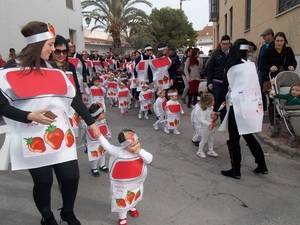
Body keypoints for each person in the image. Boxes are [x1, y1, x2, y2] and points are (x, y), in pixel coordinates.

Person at [0, 21, 100, 225]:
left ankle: (67, 212)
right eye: (50, 44)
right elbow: (1, 105)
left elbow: (72, 97)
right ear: (37, 45)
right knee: (44, 181)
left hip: (60, 133)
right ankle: (47, 217)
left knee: (71, 177)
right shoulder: (12, 68)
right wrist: (29, 115)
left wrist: (91, 122)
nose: (53, 49)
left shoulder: (53, 68)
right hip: (31, 136)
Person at [212, 38, 268, 179]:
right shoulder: (250, 66)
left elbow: (223, 89)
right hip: (250, 105)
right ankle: (262, 166)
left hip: (237, 107)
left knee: (234, 140)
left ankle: (235, 170)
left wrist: (215, 109)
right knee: (249, 136)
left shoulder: (231, 67)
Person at [98, 129, 153, 225]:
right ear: (124, 145)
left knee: (135, 196)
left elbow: (149, 159)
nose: (136, 145)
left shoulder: (141, 152)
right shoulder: (118, 152)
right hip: (121, 186)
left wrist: (139, 151)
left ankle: (132, 207)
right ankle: (122, 218)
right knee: (122, 201)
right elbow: (107, 146)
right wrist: (99, 135)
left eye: (137, 142)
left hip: (136, 183)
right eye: (132, 144)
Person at [262, 32, 297, 136]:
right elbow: (262, 65)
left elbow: (294, 62)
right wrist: (269, 67)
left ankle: (288, 121)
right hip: (272, 79)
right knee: (273, 101)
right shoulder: (268, 51)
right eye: (277, 40)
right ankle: (273, 124)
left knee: (286, 99)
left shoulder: (288, 50)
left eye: (281, 41)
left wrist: (292, 66)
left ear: (284, 41)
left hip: (286, 79)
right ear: (274, 41)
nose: (279, 43)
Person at [207, 35, 231, 120]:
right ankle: (221, 119)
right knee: (219, 101)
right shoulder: (215, 54)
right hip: (217, 82)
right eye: (223, 44)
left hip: (229, 83)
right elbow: (210, 69)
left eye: (227, 44)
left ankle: (223, 119)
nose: (225, 46)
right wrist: (209, 82)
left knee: (227, 101)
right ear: (220, 44)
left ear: (229, 44)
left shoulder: (232, 54)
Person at [84, 103, 110, 176]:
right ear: (97, 115)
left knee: (103, 154)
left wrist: (108, 134)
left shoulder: (103, 121)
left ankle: (102, 165)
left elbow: (106, 128)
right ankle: (94, 168)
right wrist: (98, 137)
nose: (103, 114)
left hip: (102, 142)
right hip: (93, 143)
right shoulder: (90, 124)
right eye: (102, 113)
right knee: (95, 156)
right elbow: (90, 135)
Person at [191, 93, 218, 158]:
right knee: (204, 140)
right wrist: (209, 123)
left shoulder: (210, 107)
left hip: (211, 126)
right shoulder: (203, 110)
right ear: (208, 102)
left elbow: (210, 114)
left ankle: (210, 150)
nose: (214, 102)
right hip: (204, 127)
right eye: (213, 101)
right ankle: (200, 151)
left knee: (211, 138)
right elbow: (201, 120)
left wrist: (214, 113)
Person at [257, 28, 274, 110]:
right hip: (261, 72)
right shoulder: (263, 46)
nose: (263, 38)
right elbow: (260, 59)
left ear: (270, 35)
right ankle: (263, 109)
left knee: (271, 92)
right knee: (261, 92)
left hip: (269, 73)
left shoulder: (274, 45)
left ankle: (273, 110)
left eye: (265, 36)